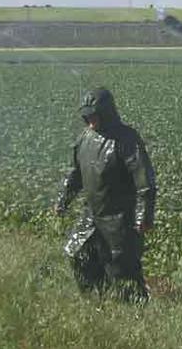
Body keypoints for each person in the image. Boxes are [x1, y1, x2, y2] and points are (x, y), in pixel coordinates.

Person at [55, 87, 157, 301]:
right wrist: (63, 199)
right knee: (76, 252)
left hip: (119, 218)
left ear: (107, 112)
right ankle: (97, 298)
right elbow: (75, 174)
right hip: (92, 213)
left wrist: (143, 216)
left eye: (94, 114)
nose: (90, 120)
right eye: (87, 116)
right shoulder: (84, 138)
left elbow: (144, 179)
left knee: (122, 269)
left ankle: (135, 311)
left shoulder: (126, 138)